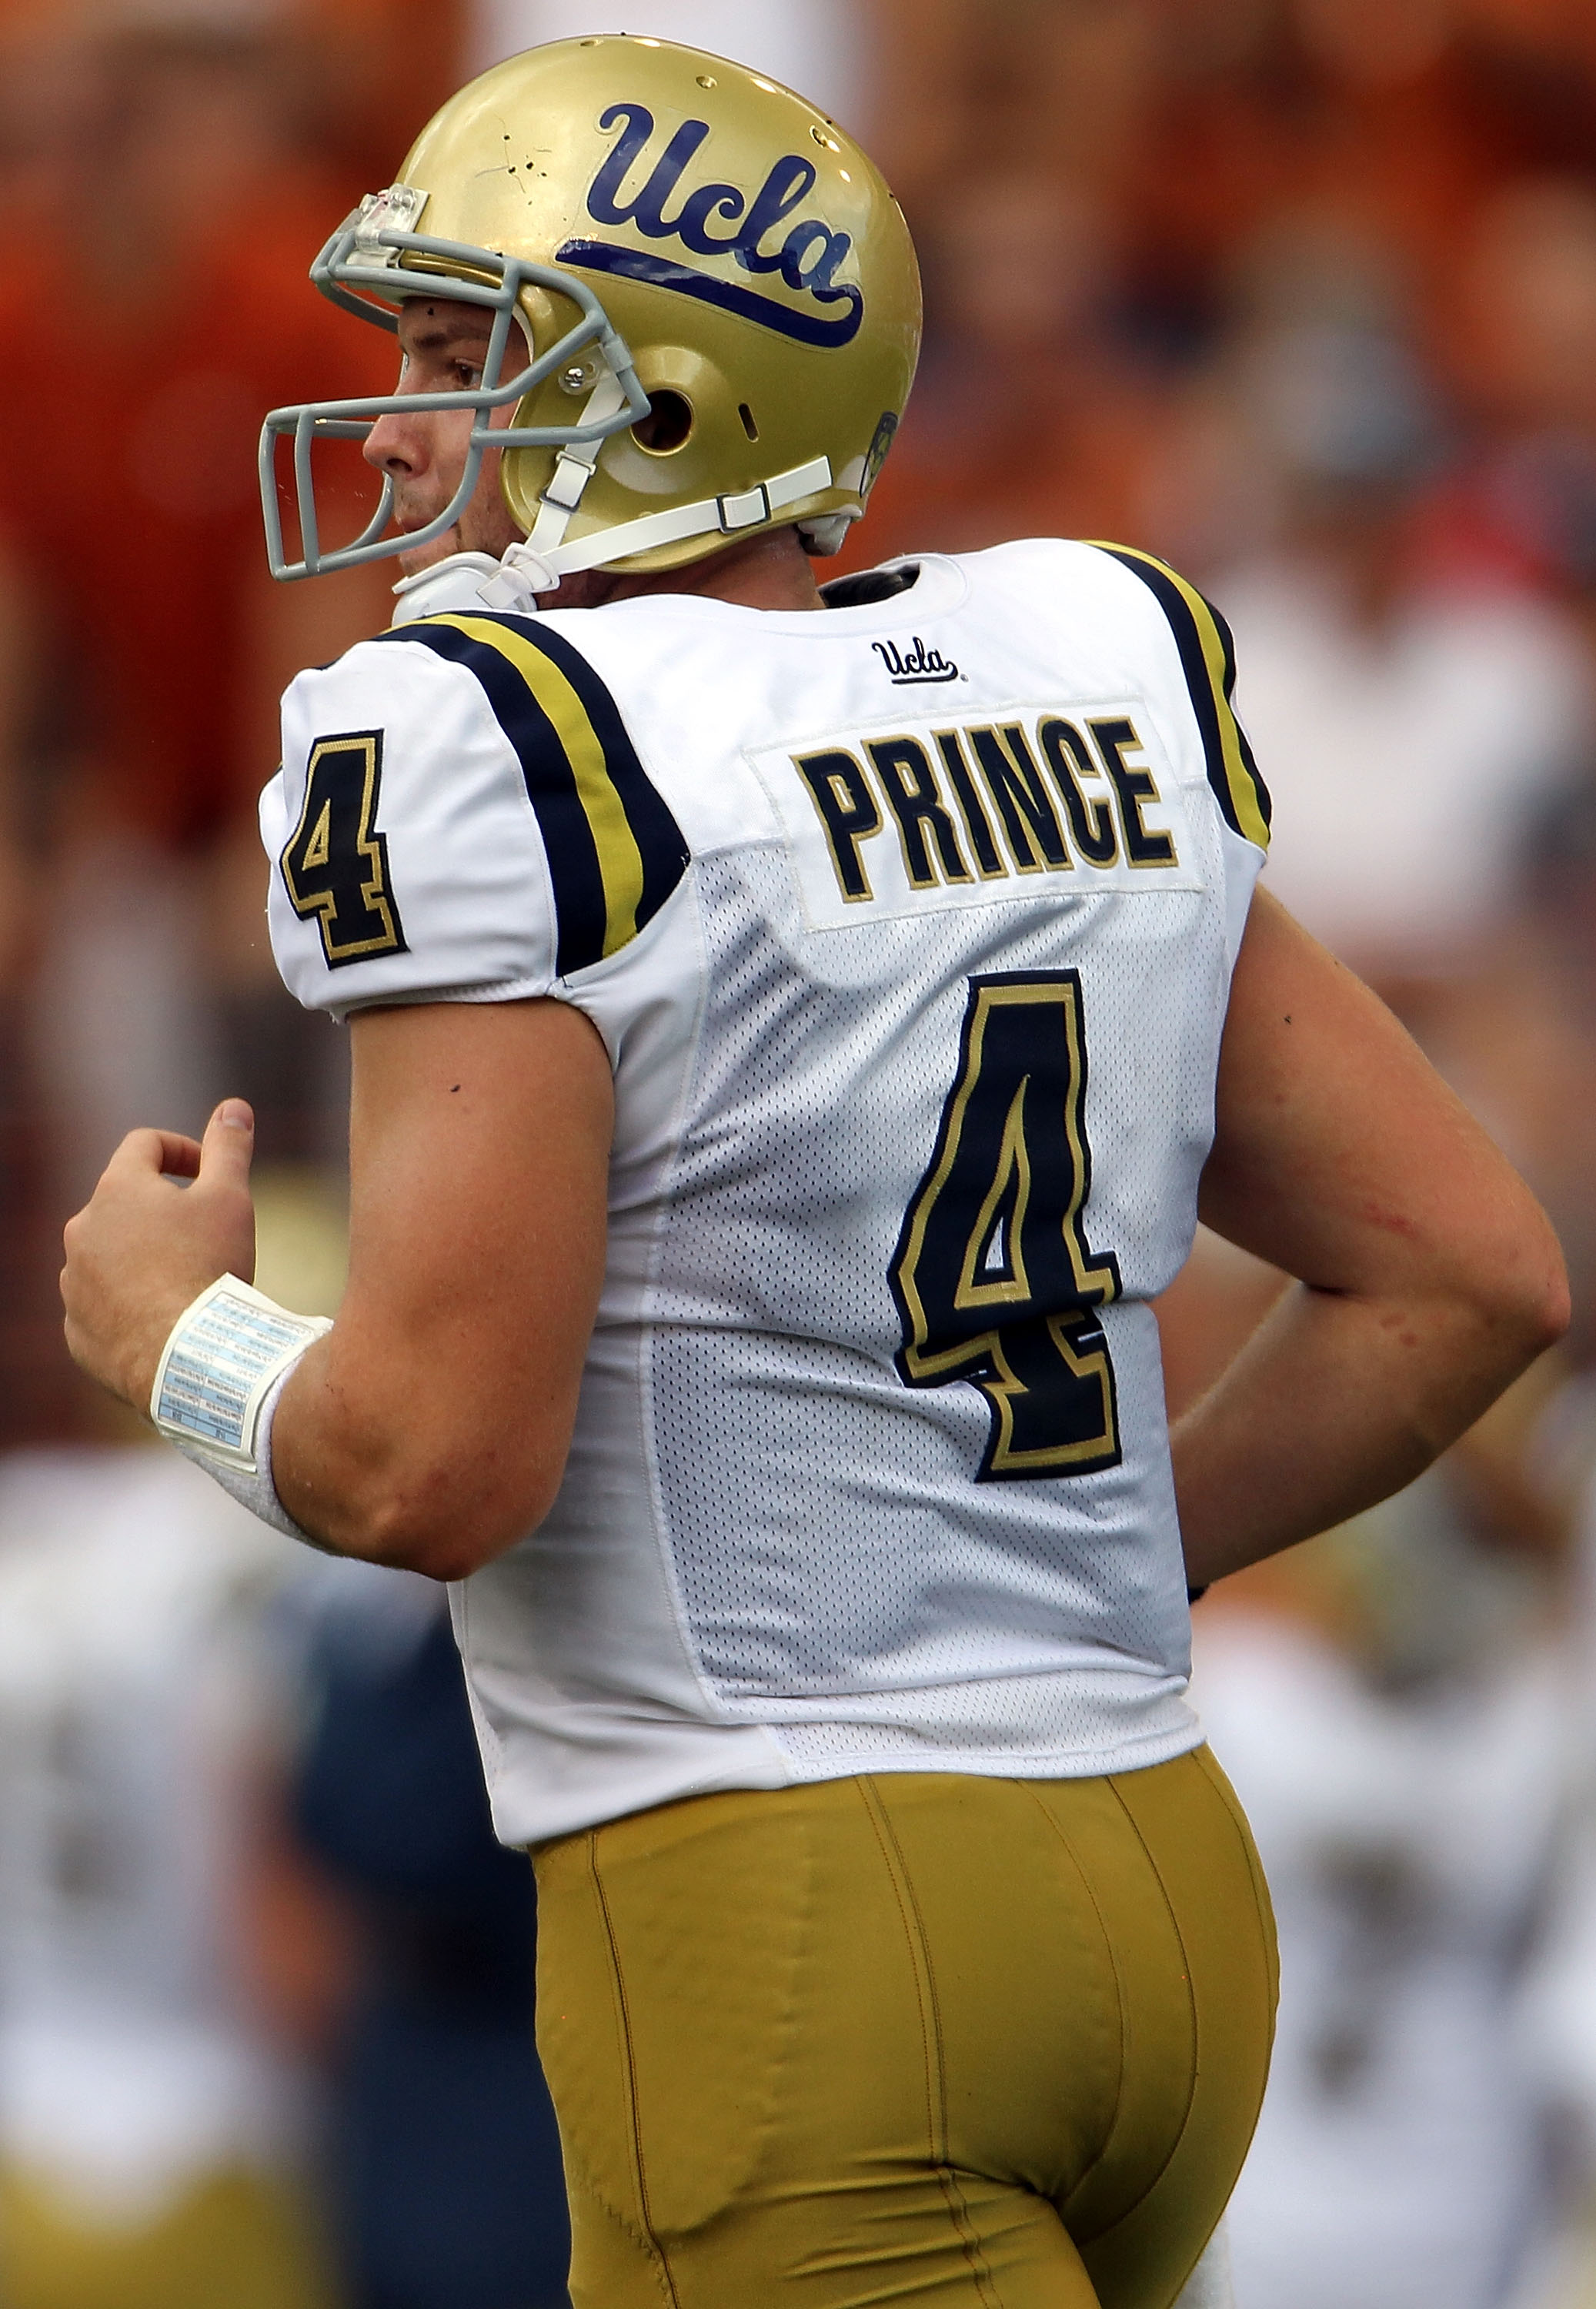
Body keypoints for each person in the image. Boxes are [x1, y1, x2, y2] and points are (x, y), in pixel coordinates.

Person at [58, 35, 1568, 2309]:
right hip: (1157, 1876)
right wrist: (1085, 1566)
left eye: (462, 357)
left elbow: (428, 1468)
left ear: (662, 397)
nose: (387, 427)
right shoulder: (1085, 657)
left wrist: (178, 1337)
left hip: (787, 1913)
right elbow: (1472, 1278)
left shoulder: (506, 741)